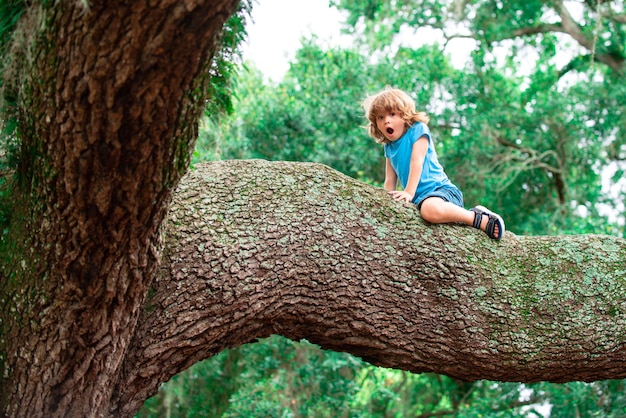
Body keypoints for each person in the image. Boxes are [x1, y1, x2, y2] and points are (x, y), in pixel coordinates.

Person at [362, 87, 505, 240]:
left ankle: (478, 218)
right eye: (380, 118)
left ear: (404, 115)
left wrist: (409, 193)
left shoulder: (417, 129)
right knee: (427, 209)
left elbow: (417, 160)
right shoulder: (389, 146)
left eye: (392, 114)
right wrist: (385, 201)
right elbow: (390, 180)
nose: (386, 121)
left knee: (428, 210)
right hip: (422, 201)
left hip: (442, 191)